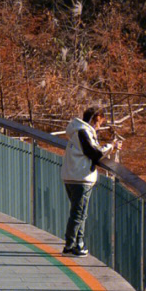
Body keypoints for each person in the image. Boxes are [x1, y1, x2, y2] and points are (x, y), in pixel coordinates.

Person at [61, 106, 120, 256]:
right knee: (78, 213)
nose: (99, 127)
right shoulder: (83, 132)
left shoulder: (77, 131)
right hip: (81, 178)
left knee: (80, 213)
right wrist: (111, 146)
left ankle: (78, 244)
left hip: (71, 176)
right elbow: (95, 153)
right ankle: (69, 246)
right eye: (99, 123)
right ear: (94, 120)